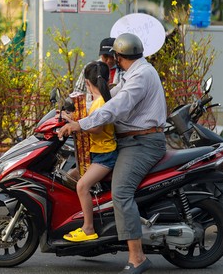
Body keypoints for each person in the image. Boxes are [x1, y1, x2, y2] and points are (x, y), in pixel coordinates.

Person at [59, 33, 166, 274]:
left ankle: (137, 258)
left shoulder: (142, 75)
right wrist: (76, 114)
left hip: (142, 142)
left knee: (121, 192)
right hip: (130, 140)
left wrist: (81, 124)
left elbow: (118, 106)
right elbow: (110, 97)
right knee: (78, 176)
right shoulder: (133, 74)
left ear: (118, 57)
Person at [63, 61, 117, 243]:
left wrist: (76, 126)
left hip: (105, 156)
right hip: (97, 153)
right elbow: (89, 120)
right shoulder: (98, 100)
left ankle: (88, 228)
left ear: (87, 83)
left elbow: (96, 128)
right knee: (70, 177)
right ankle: (87, 214)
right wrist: (70, 119)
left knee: (82, 185)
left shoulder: (101, 102)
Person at [74, 37, 124, 107]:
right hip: (91, 109)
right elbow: (78, 91)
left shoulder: (123, 70)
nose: (109, 60)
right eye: (106, 56)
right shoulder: (90, 68)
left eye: (112, 56)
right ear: (100, 54)